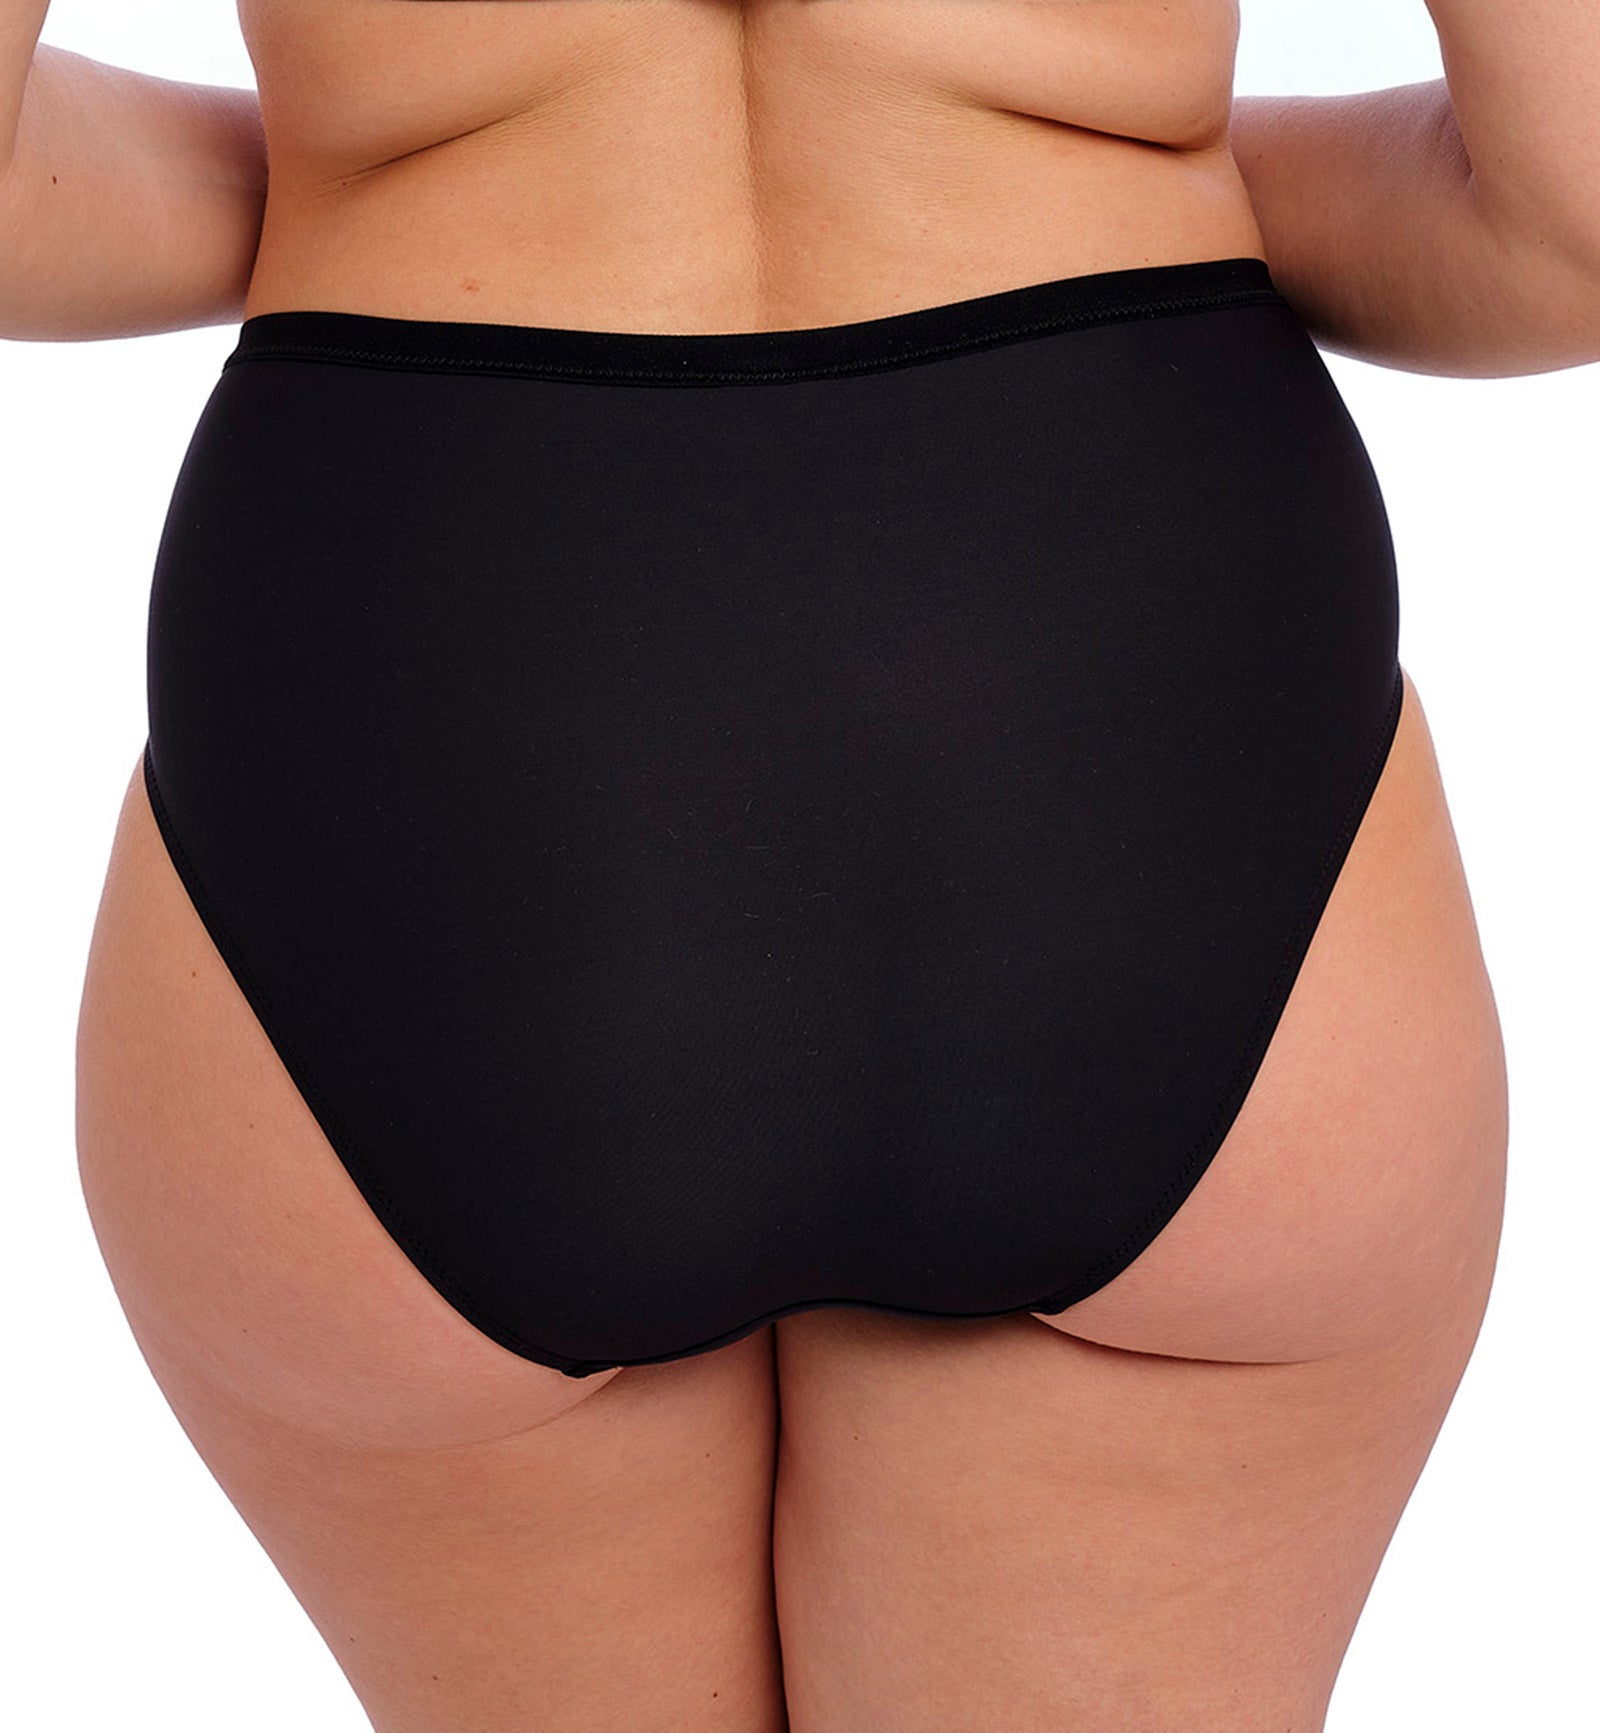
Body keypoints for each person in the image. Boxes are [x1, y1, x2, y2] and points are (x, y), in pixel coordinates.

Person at [5, 2, 1594, 1727]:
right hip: (1120, 644)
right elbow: (1569, 224)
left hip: (440, 677)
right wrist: (1097, 159)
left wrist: (410, 167)